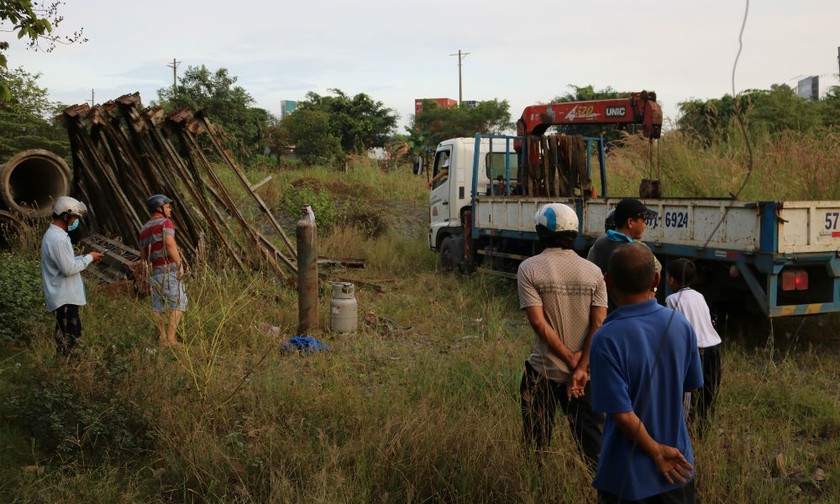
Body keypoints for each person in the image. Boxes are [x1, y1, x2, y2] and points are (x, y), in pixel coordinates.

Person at [589, 243, 703, 503]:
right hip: (679, 467)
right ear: (656, 278)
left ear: (608, 281)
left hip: (627, 478)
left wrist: (655, 452)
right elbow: (692, 385)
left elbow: (621, 413)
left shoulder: (606, 337)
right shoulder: (680, 324)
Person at [517, 203, 608, 468]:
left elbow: (538, 323)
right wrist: (580, 367)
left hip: (542, 371)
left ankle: (537, 487)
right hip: (585, 377)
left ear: (540, 231)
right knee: (593, 449)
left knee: (536, 445)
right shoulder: (594, 272)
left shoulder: (529, 268)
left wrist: (569, 360)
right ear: (574, 233)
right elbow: (599, 323)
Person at [40, 196, 104, 355]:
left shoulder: (57, 235)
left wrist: (84, 258)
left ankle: (65, 370)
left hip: (64, 297)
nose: (76, 221)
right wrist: (89, 258)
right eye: (75, 217)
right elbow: (68, 269)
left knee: (66, 340)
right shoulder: (57, 239)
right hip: (64, 298)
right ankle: (69, 372)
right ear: (65, 215)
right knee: (71, 342)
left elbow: (65, 262)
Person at [665, 258, 722, 436]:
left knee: (688, 394)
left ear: (672, 279)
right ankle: (703, 432)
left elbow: (673, 330)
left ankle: (685, 432)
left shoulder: (671, 299)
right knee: (708, 394)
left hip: (694, 351)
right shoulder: (699, 296)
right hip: (713, 347)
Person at [587, 198, 661, 310]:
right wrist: (652, 291)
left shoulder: (598, 245)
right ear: (630, 222)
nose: (645, 226)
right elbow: (657, 270)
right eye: (643, 221)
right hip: (631, 313)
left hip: (602, 313)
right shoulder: (640, 250)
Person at [138, 194, 187, 348]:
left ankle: (162, 339)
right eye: (167, 207)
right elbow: (170, 244)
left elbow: (143, 255)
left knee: (157, 307)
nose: (170, 209)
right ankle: (171, 340)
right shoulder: (166, 223)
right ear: (159, 208)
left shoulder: (144, 229)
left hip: (154, 272)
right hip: (168, 270)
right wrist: (180, 265)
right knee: (177, 304)